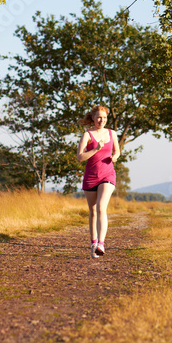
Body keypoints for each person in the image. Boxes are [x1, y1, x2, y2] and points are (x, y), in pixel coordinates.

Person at [77, 105, 120, 259]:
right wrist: (95, 149)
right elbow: (80, 157)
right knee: (93, 211)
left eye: (105, 118)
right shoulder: (87, 135)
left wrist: (114, 157)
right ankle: (93, 243)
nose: (102, 120)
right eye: (99, 117)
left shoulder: (112, 133)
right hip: (91, 176)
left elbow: (117, 151)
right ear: (93, 118)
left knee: (102, 207)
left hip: (107, 174)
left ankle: (101, 244)